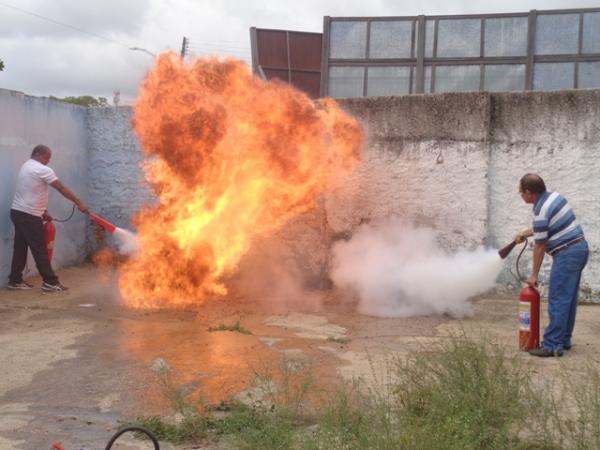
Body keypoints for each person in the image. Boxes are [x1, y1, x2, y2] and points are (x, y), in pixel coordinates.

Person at [514, 173, 589, 357]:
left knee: (558, 299)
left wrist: (533, 275)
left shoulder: (540, 210)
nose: (521, 196)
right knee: (567, 299)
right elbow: (546, 227)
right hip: (580, 249)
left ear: (529, 192)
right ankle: (563, 340)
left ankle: (552, 345)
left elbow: (540, 245)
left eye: (521, 193)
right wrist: (527, 232)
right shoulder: (554, 197)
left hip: (567, 254)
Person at [8, 144, 89, 292]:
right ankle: (50, 282)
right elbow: (61, 188)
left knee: (20, 247)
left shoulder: (26, 166)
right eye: (47, 157)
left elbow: (31, 190)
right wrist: (79, 202)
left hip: (18, 212)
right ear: (38, 154)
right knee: (39, 248)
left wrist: (43, 211)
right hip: (29, 216)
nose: (49, 161)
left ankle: (15, 280)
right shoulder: (42, 169)